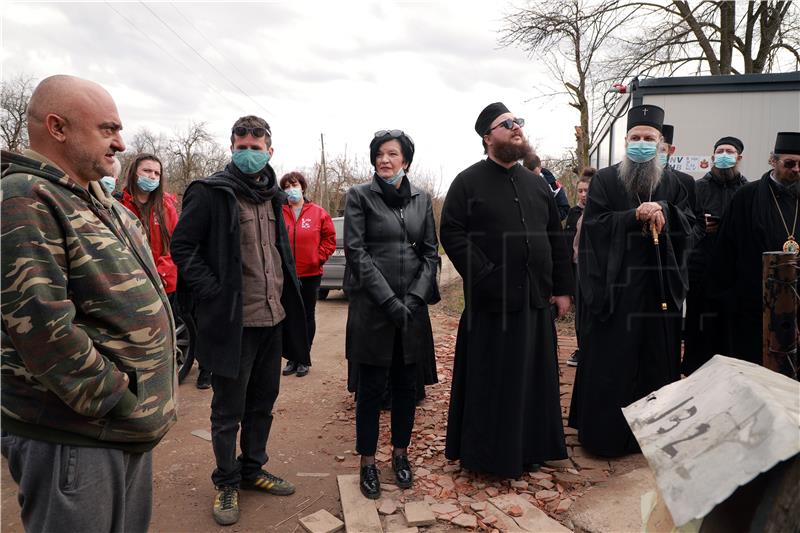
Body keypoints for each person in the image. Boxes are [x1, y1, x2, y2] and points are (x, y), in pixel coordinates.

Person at [0, 75, 176, 532]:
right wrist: (119, 397)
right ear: (57, 128)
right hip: (75, 435)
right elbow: (42, 327)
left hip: (120, 432)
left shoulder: (100, 199)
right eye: (107, 129)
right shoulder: (25, 197)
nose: (121, 143)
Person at [171, 115, 309, 526]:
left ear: (271, 150)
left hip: (273, 319)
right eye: (241, 145)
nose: (249, 152)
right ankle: (227, 482)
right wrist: (213, 291)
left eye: (256, 145)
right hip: (235, 323)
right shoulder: (211, 192)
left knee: (263, 403)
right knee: (227, 410)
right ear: (231, 147)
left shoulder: (273, 196)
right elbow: (183, 247)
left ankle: (252, 470)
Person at [441, 102, 573, 479]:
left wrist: (562, 288)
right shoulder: (467, 182)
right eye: (507, 124)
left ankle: (532, 449)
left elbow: (555, 236)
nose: (517, 128)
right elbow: (451, 231)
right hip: (492, 303)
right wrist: (483, 272)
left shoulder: (536, 183)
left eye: (518, 122)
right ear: (488, 137)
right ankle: (490, 457)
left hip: (534, 301)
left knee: (533, 380)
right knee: (494, 381)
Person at [568, 104, 695, 457]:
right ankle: (606, 438)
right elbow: (593, 228)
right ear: (625, 142)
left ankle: (653, 438)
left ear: (662, 144)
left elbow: (693, 228)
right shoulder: (606, 180)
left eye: (648, 139)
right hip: (617, 291)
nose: (641, 144)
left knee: (655, 362)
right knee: (614, 365)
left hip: (660, 292)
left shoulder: (677, 183)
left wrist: (666, 213)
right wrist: (632, 216)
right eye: (635, 138)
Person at [343, 129, 440, 499]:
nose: (385, 159)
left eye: (393, 154)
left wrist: (414, 298)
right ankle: (367, 460)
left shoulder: (421, 199)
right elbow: (357, 252)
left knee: (405, 388)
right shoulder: (358, 197)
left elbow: (431, 253)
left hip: (411, 311)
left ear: (406, 161)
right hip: (373, 310)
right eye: (380, 154)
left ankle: (400, 454)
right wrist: (389, 301)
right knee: (369, 391)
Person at [706, 132, 800, 366]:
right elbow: (726, 251)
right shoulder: (747, 196)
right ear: (773, 161)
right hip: (753, 305)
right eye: (790, 163)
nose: (797, 170)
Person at [681, 137, 748, 375]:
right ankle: (694, 371)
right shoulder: (697, 188)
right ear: (712, 157)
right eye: (720, 151)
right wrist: (702, 227)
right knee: (698, 325)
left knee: (729, 326)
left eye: (729, 152)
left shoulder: (747, 191)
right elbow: (685, 223)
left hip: (732, 271)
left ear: (739, 158)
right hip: (700, 266)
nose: (724, 155)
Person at [280, 171, 336, 377]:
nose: (290, 190)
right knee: (288, 316)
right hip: (286, 275)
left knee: (306, 315)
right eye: (286, 187)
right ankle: (292, 358)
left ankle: (304, 357)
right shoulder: (279, 212)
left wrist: (318, 257)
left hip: (310, 273)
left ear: (302, 187)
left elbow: (330, 239)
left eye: (293, 185)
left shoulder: (318, 212)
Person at [565, 168, 596, 367]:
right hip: (576, 267)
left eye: (587, 191)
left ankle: (595, 348)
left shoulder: (600, 211)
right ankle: (581, 348)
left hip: (594, 268)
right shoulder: (573, 212)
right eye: (581, 191)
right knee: (580, 312)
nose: (584, 195)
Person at [524, 154, 570, 221]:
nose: (532, 177)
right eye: (528, 174)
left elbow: (564, 208)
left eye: (534, 173)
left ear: (540, 168)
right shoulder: (516, 182)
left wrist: (549, 221)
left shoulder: (552, 184)